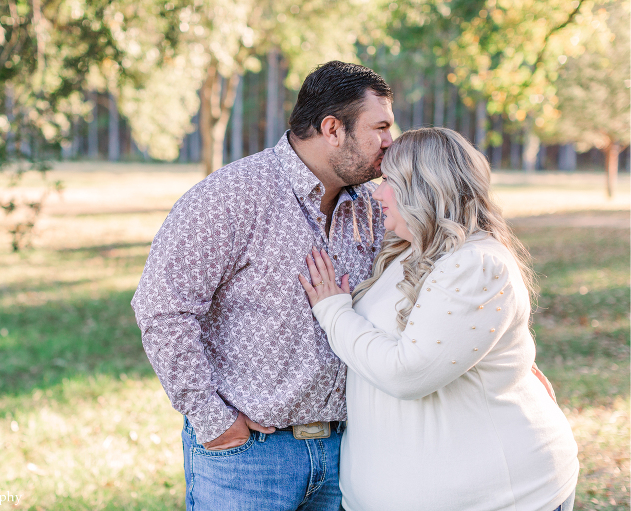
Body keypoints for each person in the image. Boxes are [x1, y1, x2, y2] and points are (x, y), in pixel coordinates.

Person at [131, 61, 394, 510]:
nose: (391, 142)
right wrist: (213, 420)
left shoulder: (373, 208)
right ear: (332, 129)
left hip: (349, 457)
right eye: (381, 128)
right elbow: (162, 307)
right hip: (249, 461)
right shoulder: (231, 196)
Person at [300, 127, 579, 511]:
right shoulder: (410, 250)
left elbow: (407, 374)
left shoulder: (476, 264)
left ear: (426, 188)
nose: (377, 194)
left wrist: (333, 311)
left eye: (390, 181)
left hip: (500, 498)